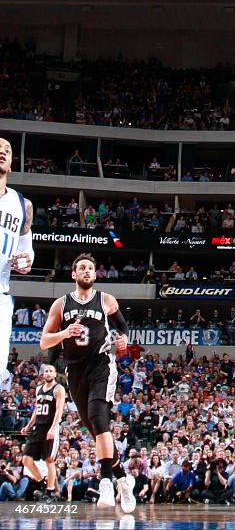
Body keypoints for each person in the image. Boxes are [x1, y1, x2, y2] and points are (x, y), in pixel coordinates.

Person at [39, 252, 136, 514]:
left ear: (95, 275)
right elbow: (44, 341)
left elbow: (122, 327)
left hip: (101, 365)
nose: (86, 271)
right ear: (74, 274)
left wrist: (123, 340)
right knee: (95, 430)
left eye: (90, 268)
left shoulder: (106, 300)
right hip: (75, 371)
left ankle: (105, 480)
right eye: (81, 268)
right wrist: (63, 332)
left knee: (99, 416)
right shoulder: (61, 304)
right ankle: (123, 479)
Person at [0, 137, 34, 392]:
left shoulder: (23, 205)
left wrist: (25, 261)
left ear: (11, 163)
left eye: (7, 151)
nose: (2, 153)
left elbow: (26, 253)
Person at [21, 362, 65, 499]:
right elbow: (36, 410)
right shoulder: (39, 388)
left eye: (50, 371)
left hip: (49, 427)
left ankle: (50, 492)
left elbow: (59, 410)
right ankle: (42, 482)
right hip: (37, 427)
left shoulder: (58, 389)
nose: (48, 373)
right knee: (26, 460)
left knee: (49, 460)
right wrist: (28, 426)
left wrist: (53, 428)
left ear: (55, 374)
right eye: (46, 371)